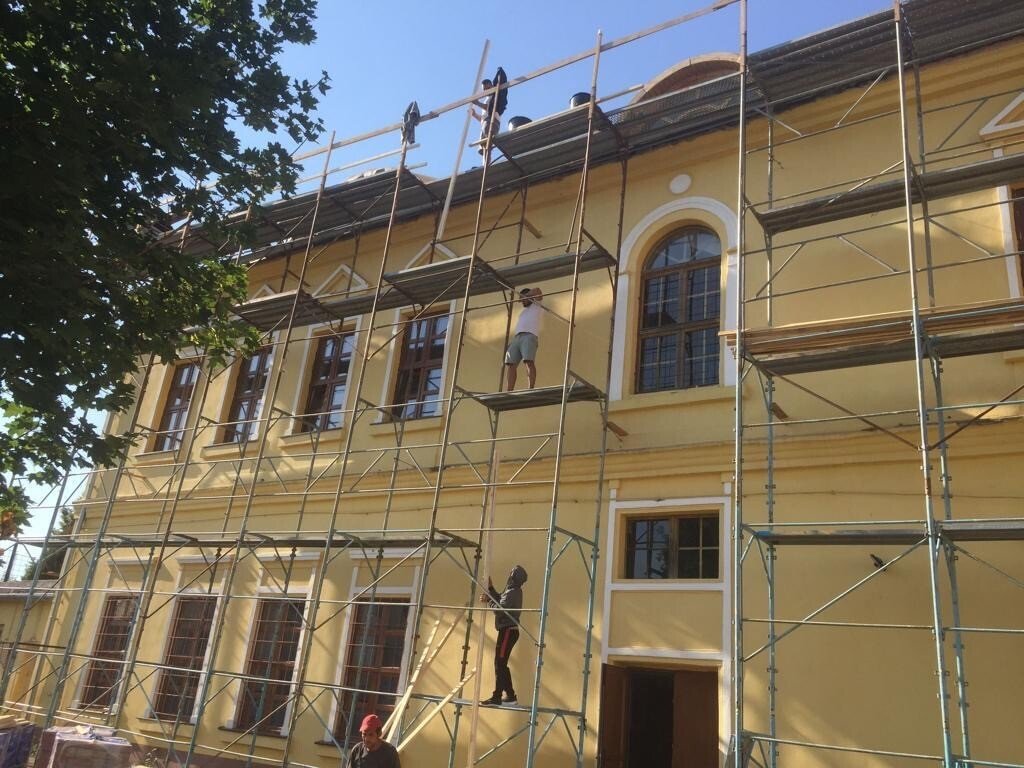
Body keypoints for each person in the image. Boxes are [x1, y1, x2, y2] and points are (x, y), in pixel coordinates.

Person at [478, 564, 528, 707]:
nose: (508, 575)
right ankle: (510, 696)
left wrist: (488, 601)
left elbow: (500, 610)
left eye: (511, 573)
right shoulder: (512, 591)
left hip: (508, 631)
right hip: (507, 631)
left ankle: (497, 697)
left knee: (500, 663)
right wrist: (491, 589)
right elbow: (500, 600)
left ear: (513, 576)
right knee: (501, 663)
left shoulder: (513, 592)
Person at [504, 288, 543, 391]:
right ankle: (509, 391)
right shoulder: (523, 312)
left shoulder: (536, 305)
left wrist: (526, 295)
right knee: (511, 364)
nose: (522, 302)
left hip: (529, 336)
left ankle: (530, 388)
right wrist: (512, 341)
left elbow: (538, 291)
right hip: (517, 337)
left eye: (523, 299)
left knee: (528, 361)